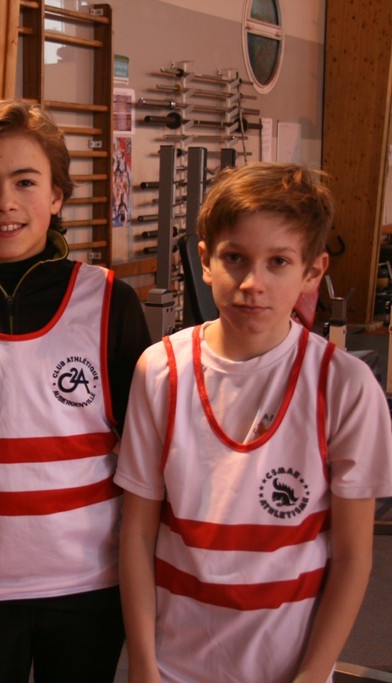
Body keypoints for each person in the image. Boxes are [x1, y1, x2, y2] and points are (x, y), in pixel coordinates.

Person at [0, 99, 151, 682]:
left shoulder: (109, 303)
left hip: (91, 586)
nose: (5, 202)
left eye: (25, 182)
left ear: (58, 195)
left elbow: (149, 465)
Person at [116, 163, 392, 683]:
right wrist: (143, 665)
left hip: (287, 666)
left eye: (278, 262)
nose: (251, 284)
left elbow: (354, 557)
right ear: (205, 260)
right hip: (174, 664)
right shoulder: (161, 370)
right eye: (235, 258)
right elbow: (137, 533)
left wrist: (313, 673)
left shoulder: (345, 387)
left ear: (313, 271)